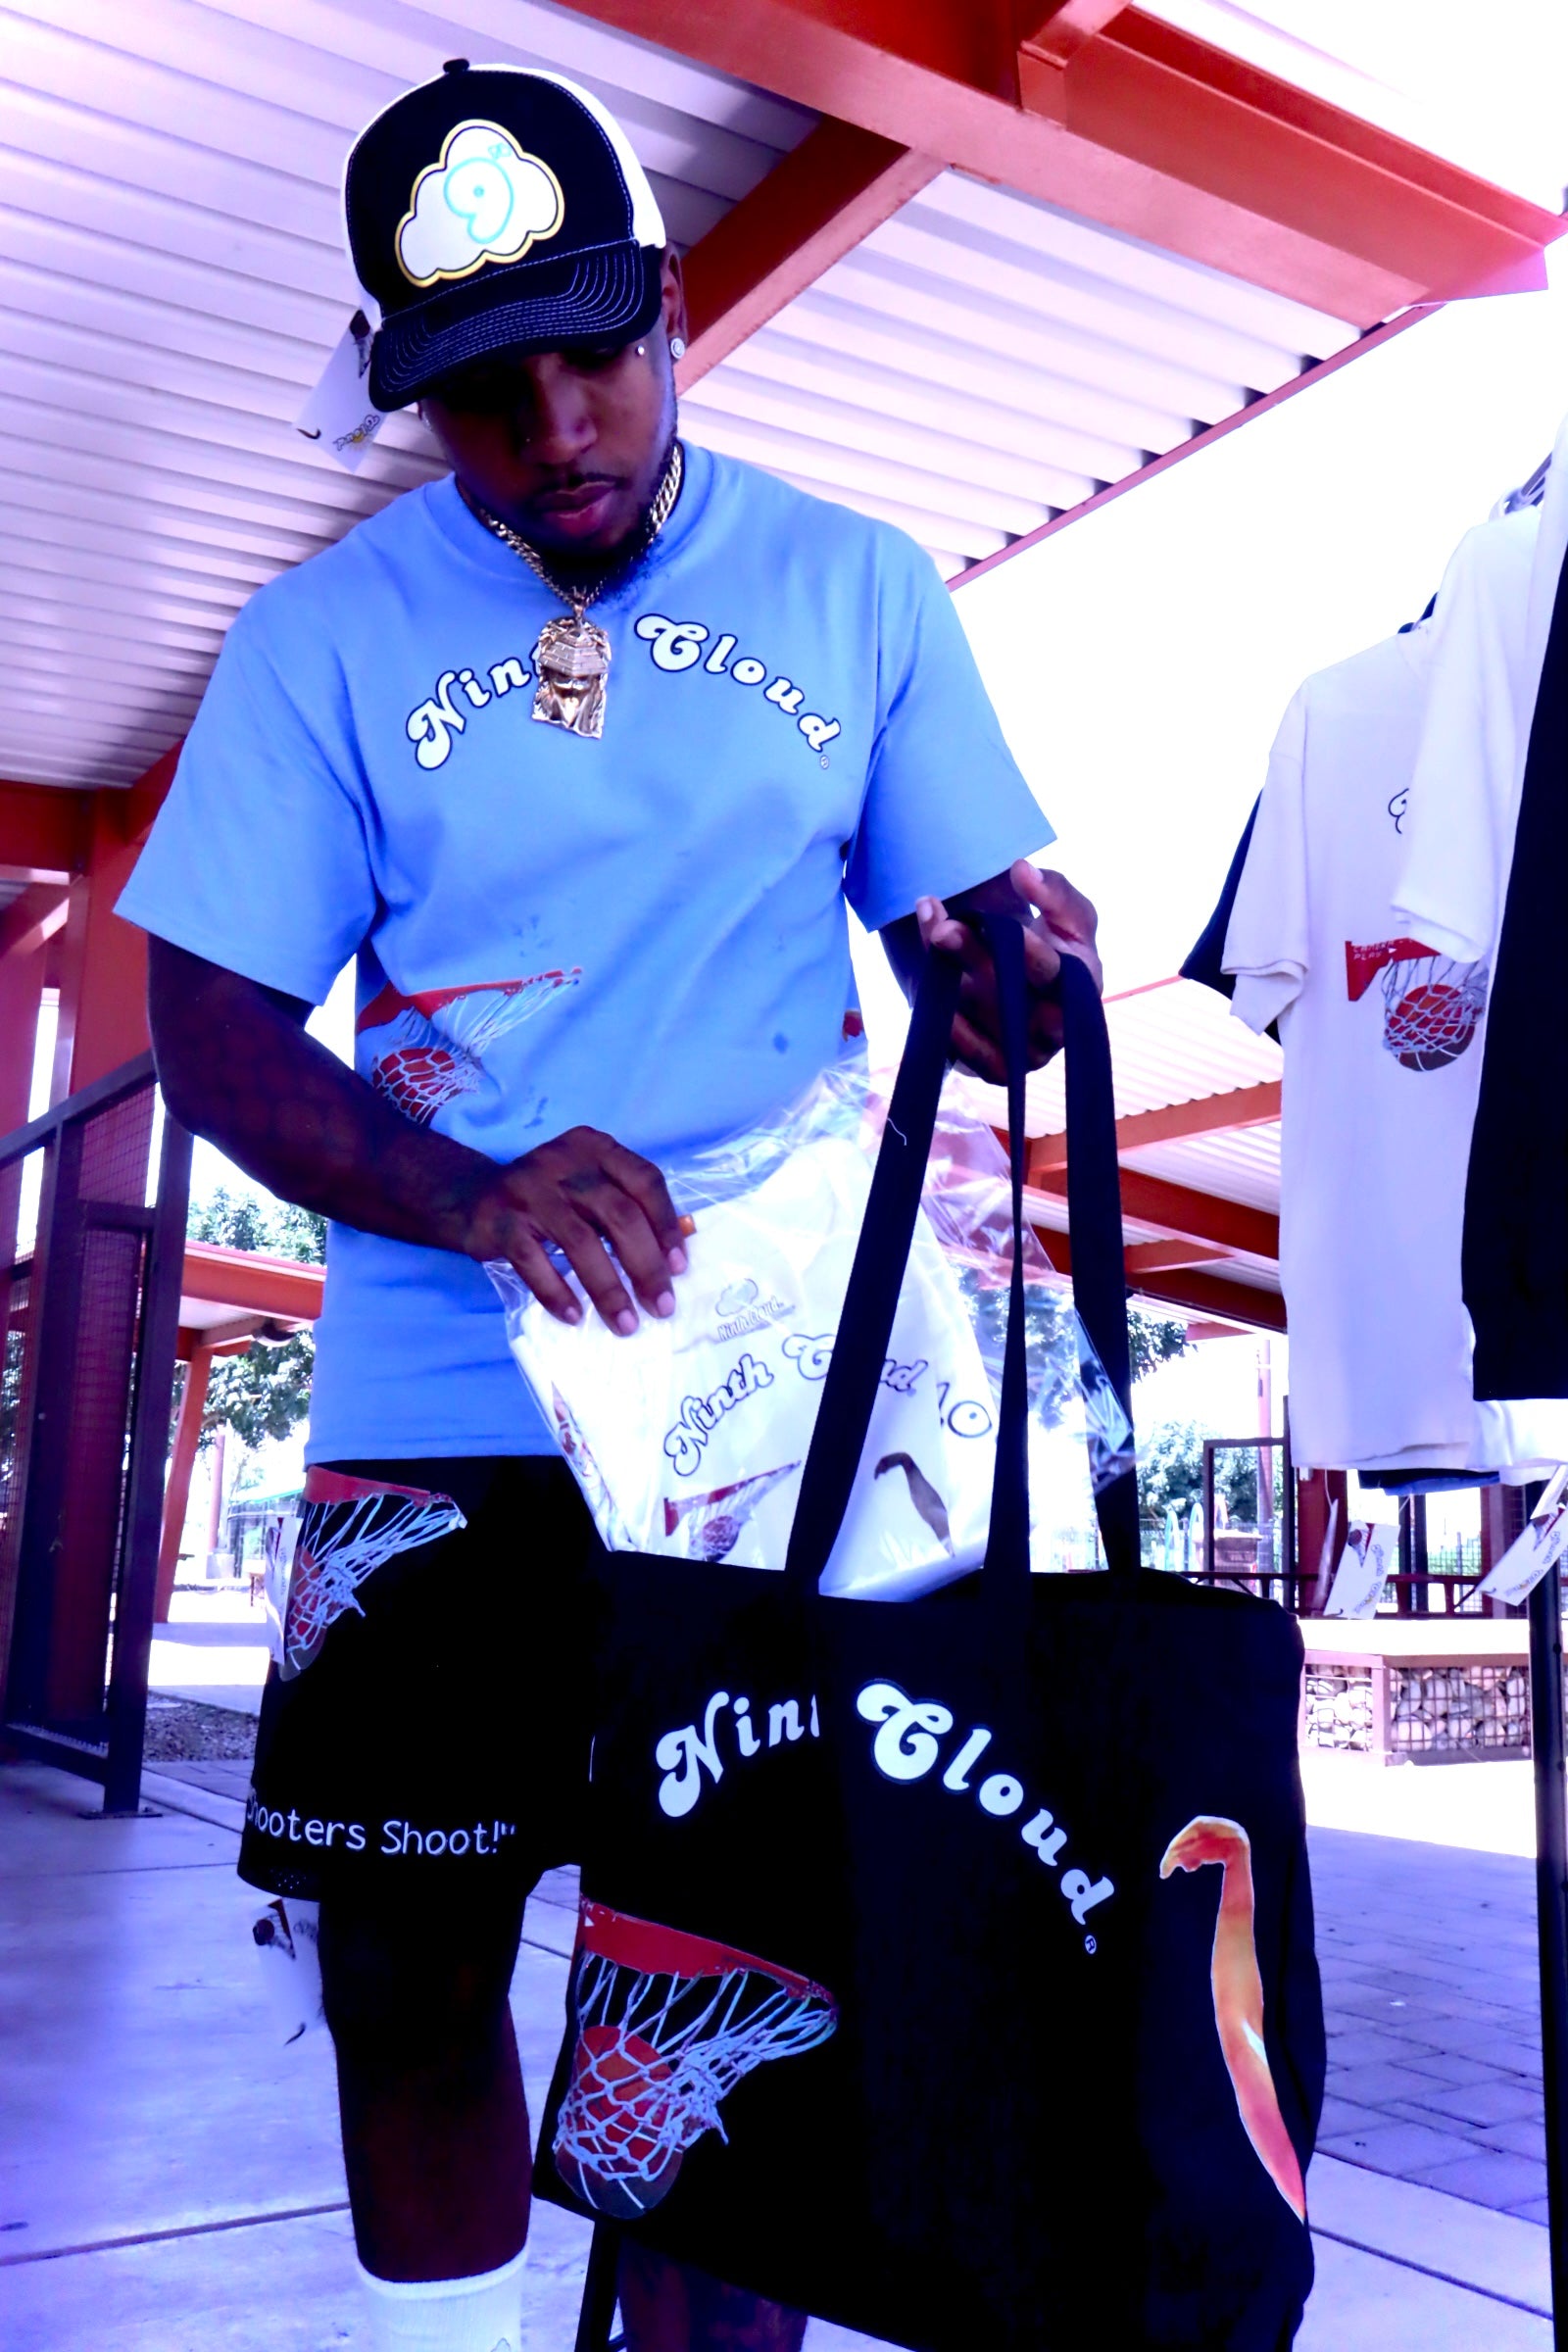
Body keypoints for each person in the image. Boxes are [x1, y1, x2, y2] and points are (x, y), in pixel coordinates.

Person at [122, 61, 1099, 2352]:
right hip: (442, 1404)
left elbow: (975, 959)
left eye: (591, 358)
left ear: (671, 315)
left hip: (775, 1414)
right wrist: (471, 1196)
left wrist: (1013, 982)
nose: (553, 430)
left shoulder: (854, 588)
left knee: (738, 1980)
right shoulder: (320, 641)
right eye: (483, 394)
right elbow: (217, 1025)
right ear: (409, 396)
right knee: (402, 1961)